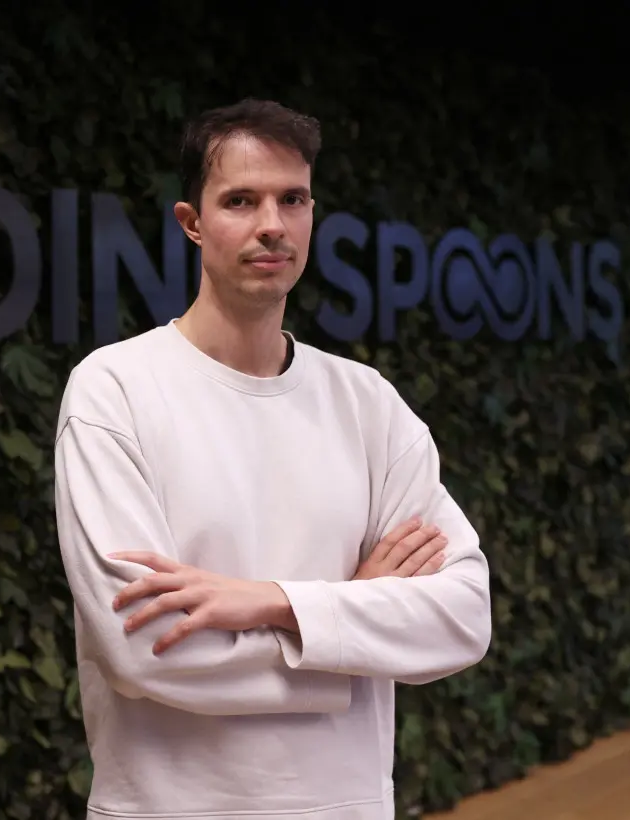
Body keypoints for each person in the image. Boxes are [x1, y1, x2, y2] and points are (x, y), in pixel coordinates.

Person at [52, 98, 492, 820]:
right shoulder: (114, 391)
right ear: (191, 223)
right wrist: (350, 624)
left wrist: (274, 602)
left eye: (293, 199)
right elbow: (145, 648)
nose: (272, 225)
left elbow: (463, 615)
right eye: (240, 200)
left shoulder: (367, 404)